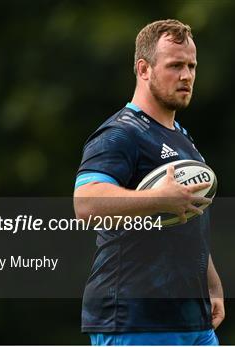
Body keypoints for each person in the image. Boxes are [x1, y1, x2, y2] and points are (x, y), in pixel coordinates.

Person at [74, 19, 224, 345]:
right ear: (144, 69)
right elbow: (85, 202)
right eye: (175, 66)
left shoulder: (183, 139)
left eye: (191, 66)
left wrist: (210, 283)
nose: (186, 76)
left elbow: (186, 215)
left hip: (192, 319)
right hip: (135, 318)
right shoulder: (120, 133)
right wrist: (158, 199)